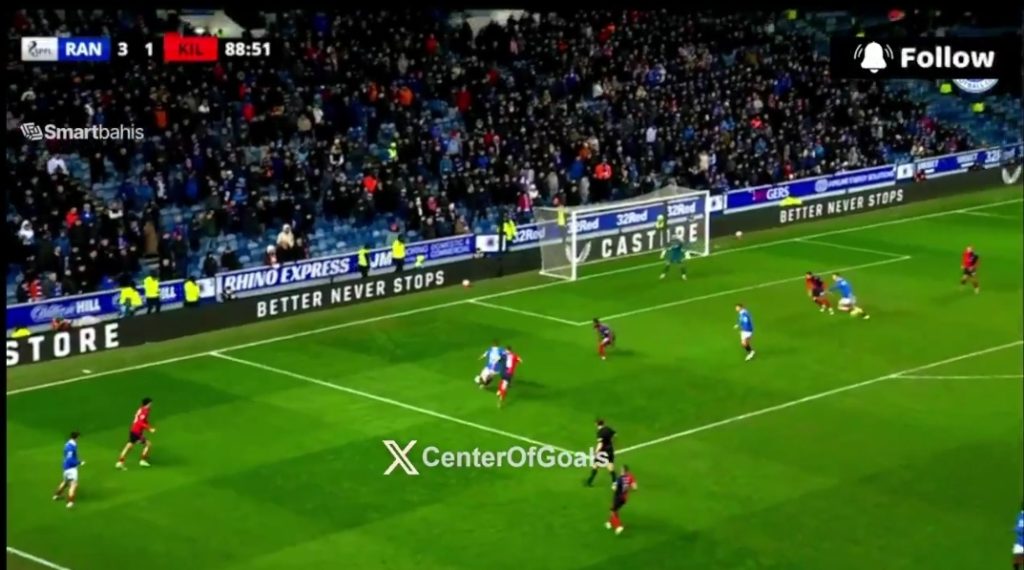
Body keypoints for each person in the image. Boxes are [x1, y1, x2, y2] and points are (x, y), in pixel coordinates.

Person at [116, 398, 156, 469]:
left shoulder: (141, 409)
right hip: (137, 432)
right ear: (148, 404)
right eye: (150, 403)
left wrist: (149, 426)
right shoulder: (145, 411)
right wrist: (149, 429)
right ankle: (142, 460)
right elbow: (140, 422)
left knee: (129, 446)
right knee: (148, 444)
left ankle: (120, 462)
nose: (151, 405)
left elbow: (144, 420)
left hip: (133, 429)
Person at [53, 431, 83, 509]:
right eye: (78, 438)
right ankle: (70, 502)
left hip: (65, 467)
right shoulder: (72, 446)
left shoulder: (67, 444)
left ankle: (56, 495)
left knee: (66, 482)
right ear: (77, 437)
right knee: (73, 485)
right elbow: (70, 459)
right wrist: (79, 462)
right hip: (71, 468)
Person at [606, 465, 637, 535]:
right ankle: (610, 522)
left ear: (622, 470)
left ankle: (618, 526)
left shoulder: (619, 478)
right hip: (624, 498)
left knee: (613, 511)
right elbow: (635, 488)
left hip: (618, 497)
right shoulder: (631, 477)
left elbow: (614, 488)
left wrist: (613, 486)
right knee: (615, 509)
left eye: (621, 470)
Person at [586, 419, 616, 486]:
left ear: (596, 424)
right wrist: (611, 443)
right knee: (610, 465)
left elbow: (600, 444)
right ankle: (614, 482)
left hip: (602, 451)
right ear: (603, 423)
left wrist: (596, 452)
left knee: (595, 465)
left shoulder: (600, 432)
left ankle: (589, 482)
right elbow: (615, 435)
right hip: (610, 450)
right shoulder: (608, 429)